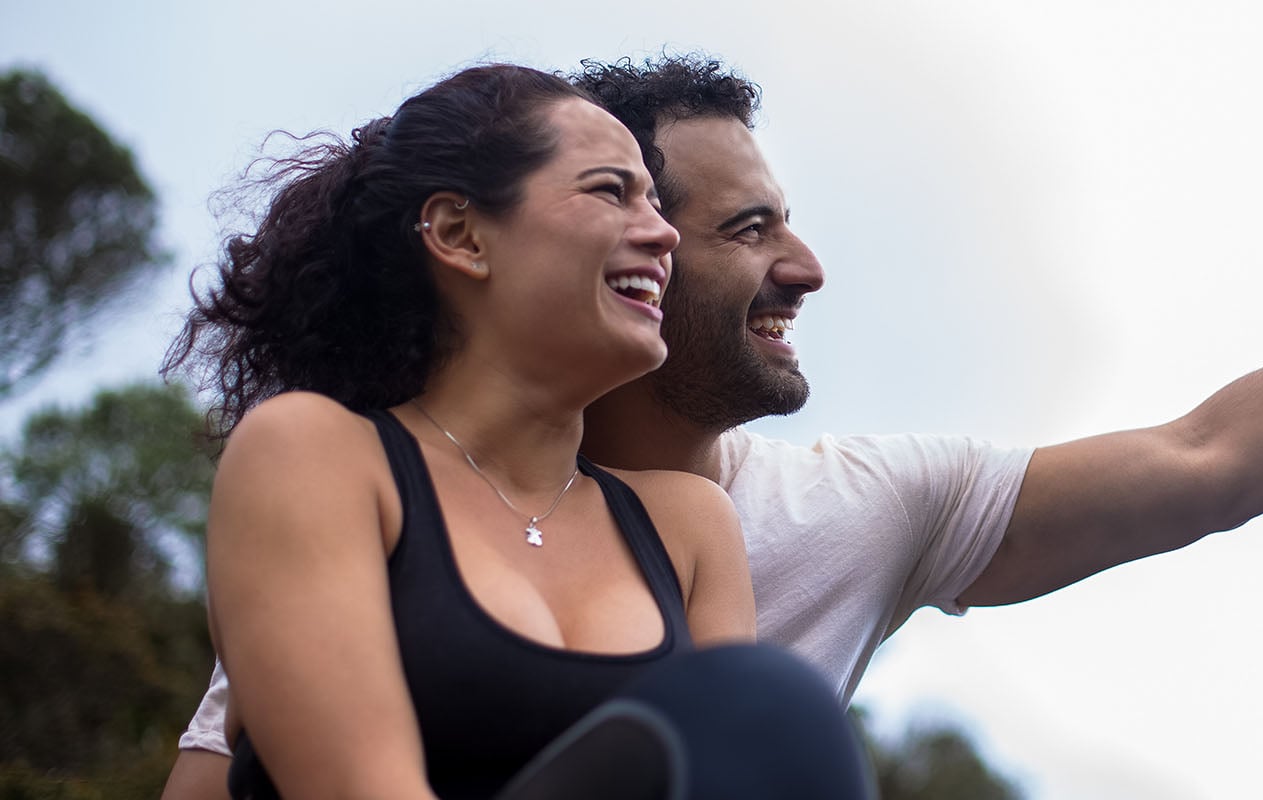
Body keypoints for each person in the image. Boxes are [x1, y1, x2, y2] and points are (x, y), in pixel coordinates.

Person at [163, 54, 1263, 796]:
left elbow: (1211, 459)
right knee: (757, 709)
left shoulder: (764, 520)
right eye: (743, 227)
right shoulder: (343, 478)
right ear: (471, 238)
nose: (802, 267)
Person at [165, 63, 868, 798]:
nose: (664, 235)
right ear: (460, 234)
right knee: (774, 699)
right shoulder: (314, 455)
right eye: (611, 192)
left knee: (771, 705)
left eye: (658, 204)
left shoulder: (690, 526)